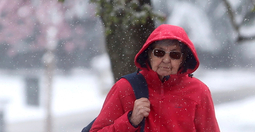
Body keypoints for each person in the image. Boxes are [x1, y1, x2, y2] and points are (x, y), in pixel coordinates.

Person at [90, 24, 220, 132]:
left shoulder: (199, 92)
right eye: (159, 52)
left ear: (183, 59)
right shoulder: (125, 88)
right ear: (149, 54)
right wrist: (130, 121)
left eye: (174, 55)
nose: (166, 60)